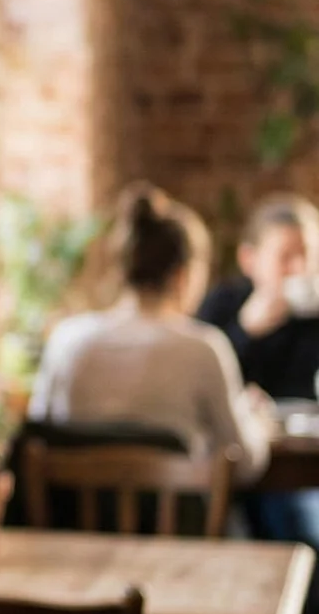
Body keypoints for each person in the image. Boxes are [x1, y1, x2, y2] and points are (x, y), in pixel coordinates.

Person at [29, 187, 273, 484]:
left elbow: (37, 438)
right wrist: (256, 424)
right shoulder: (203, 348)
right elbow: (246, 465)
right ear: (182, 275)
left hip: (71, 513)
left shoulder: (66, 338)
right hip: (175, 515)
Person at [198, 195, 319, 543]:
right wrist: (245, 331)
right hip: (239, 462)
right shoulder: (223, 306)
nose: (299, 268)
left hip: (303, 461)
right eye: (285, 257)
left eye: (307, 255)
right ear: (249, 260)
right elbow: (201, 383)